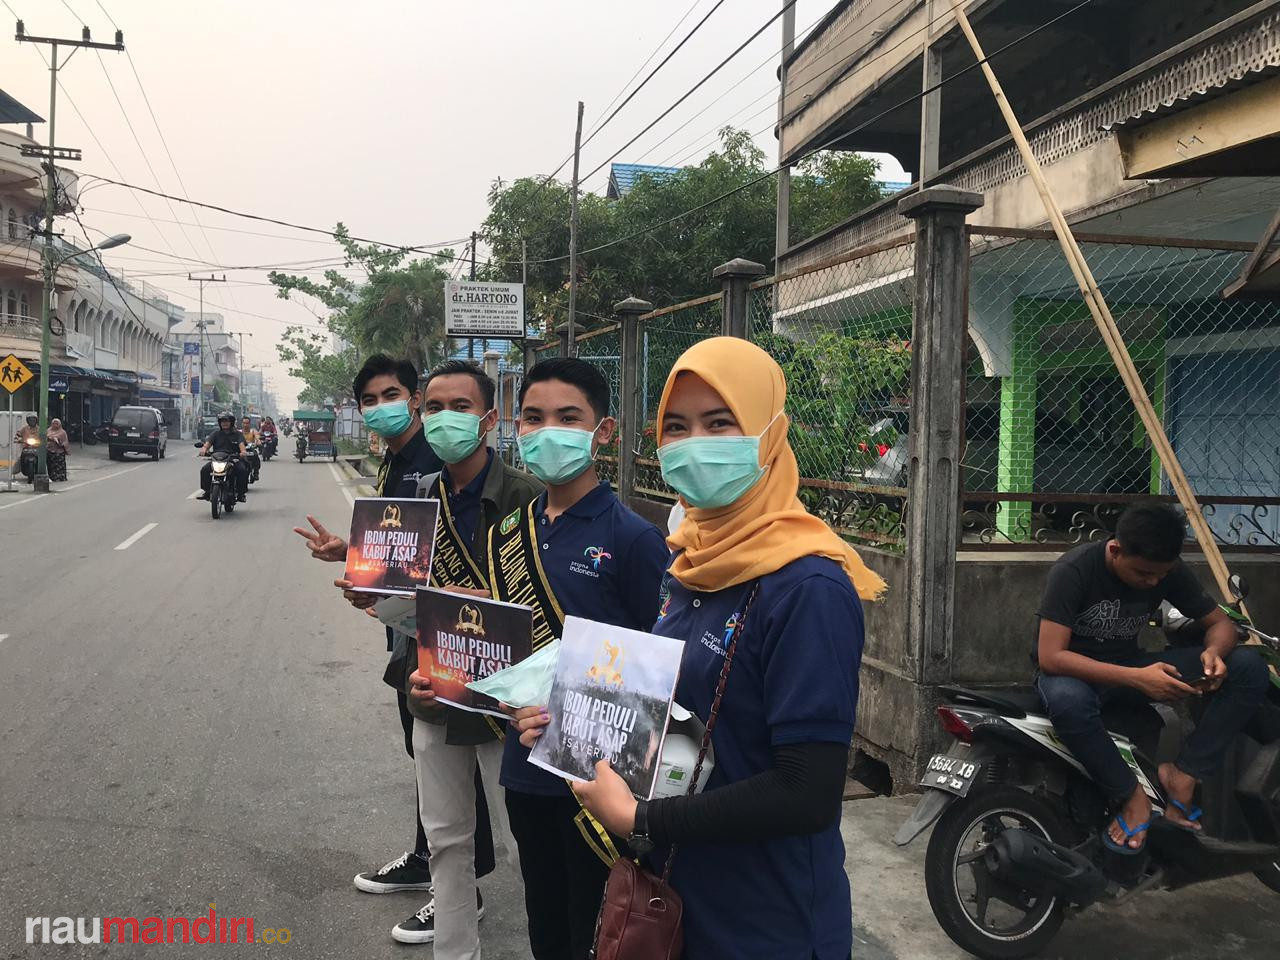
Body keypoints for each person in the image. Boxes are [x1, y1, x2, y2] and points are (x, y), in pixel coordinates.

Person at [516, 338, 885, 960]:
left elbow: (808, 790)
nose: (694, 444)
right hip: (680, 896)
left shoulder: (807, 585)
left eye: (720, 423)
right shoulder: (691, 564)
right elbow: (680, 720)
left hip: (769, 916)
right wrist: (570, 723)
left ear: (770, 433)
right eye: (677, 427)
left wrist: (642, 822)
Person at [292, 354, 495, 937]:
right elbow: (397, 548)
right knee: (425, 755)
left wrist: (390, 585)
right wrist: (351, 556)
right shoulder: (402, 461)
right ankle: (428, 860)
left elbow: (452, 557)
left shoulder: (437, 460)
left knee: (453, 758)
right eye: (370, 397)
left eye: (394, 394)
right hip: (409, 628)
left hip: (447, 634)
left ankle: (463, 885)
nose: (383, 406)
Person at [490, 357, 669, 960]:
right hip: (524, 768)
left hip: (599, 782)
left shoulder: (633, 538)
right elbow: (504, 650)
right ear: (516, 426)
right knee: (544, 918)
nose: (548, 431)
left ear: (605, 431)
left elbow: (661, 665)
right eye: (534, 418)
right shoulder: (510, 532)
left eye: (569, 417)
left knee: (597, 928)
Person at [393, 359, 543, 952]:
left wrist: (492, 601)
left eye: (460, 407)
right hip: (435, 689)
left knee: (522, 841)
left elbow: (556, 610)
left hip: (508, 703)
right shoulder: (424, 496)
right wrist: (373, 594)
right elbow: (414, 601)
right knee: (446, 837)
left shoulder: (527, 497)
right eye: (433, 407)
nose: (444, 419)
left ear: (488, 420)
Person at [1035, 502, 1268, 850]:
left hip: (1133, 665)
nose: (1153, 582)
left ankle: (1183, 776)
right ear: (1115, 550)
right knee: (1069, 702)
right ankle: (1132, 798)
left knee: (1248, 667)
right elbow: (1050, 656)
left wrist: (1213, 654)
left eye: (1160, 575)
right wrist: (1138, 678)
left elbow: (1220, 624)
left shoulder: (1165, 570)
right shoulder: (1074, 570)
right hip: (1074, 674)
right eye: (1144, 574)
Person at [196, 413, 248, 502]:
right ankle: (207, 491)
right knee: (204, 470)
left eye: (226, 421)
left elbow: (241, 445)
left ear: (231, 422)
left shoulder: (238, 434)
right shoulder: (216, 433)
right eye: (222, 421)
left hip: (232, 459)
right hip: (217, 459)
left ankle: (240, 493)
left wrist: (243, 452)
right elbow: (207, 444)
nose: (224, 423)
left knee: (242, 470)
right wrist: (203, 450)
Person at [240, 417, 262, 482]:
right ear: (241, 424)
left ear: (249, 424)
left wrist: (258, 442)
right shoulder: (239, 432)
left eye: (247, 423)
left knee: (256, 456)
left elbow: (257, 437)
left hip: (250, 449)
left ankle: (256, 472)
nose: (245, 425)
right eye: (244, 423)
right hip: (241, 450)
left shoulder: (253, 431)